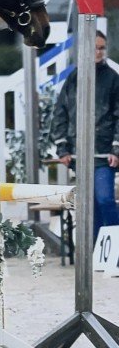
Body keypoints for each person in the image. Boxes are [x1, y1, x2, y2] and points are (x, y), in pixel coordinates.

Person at [51, 30, 119, 241]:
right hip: (78, 153)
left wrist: (116, 148)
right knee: (90, 205)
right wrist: (62, 148)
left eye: (101, 48)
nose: (98, 52)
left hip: (104, 153)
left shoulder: (113, 79)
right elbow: (60, 111)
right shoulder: (73, 78)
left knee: (105, 199)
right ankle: (97, 252)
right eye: (95, 48)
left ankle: (114, 248)